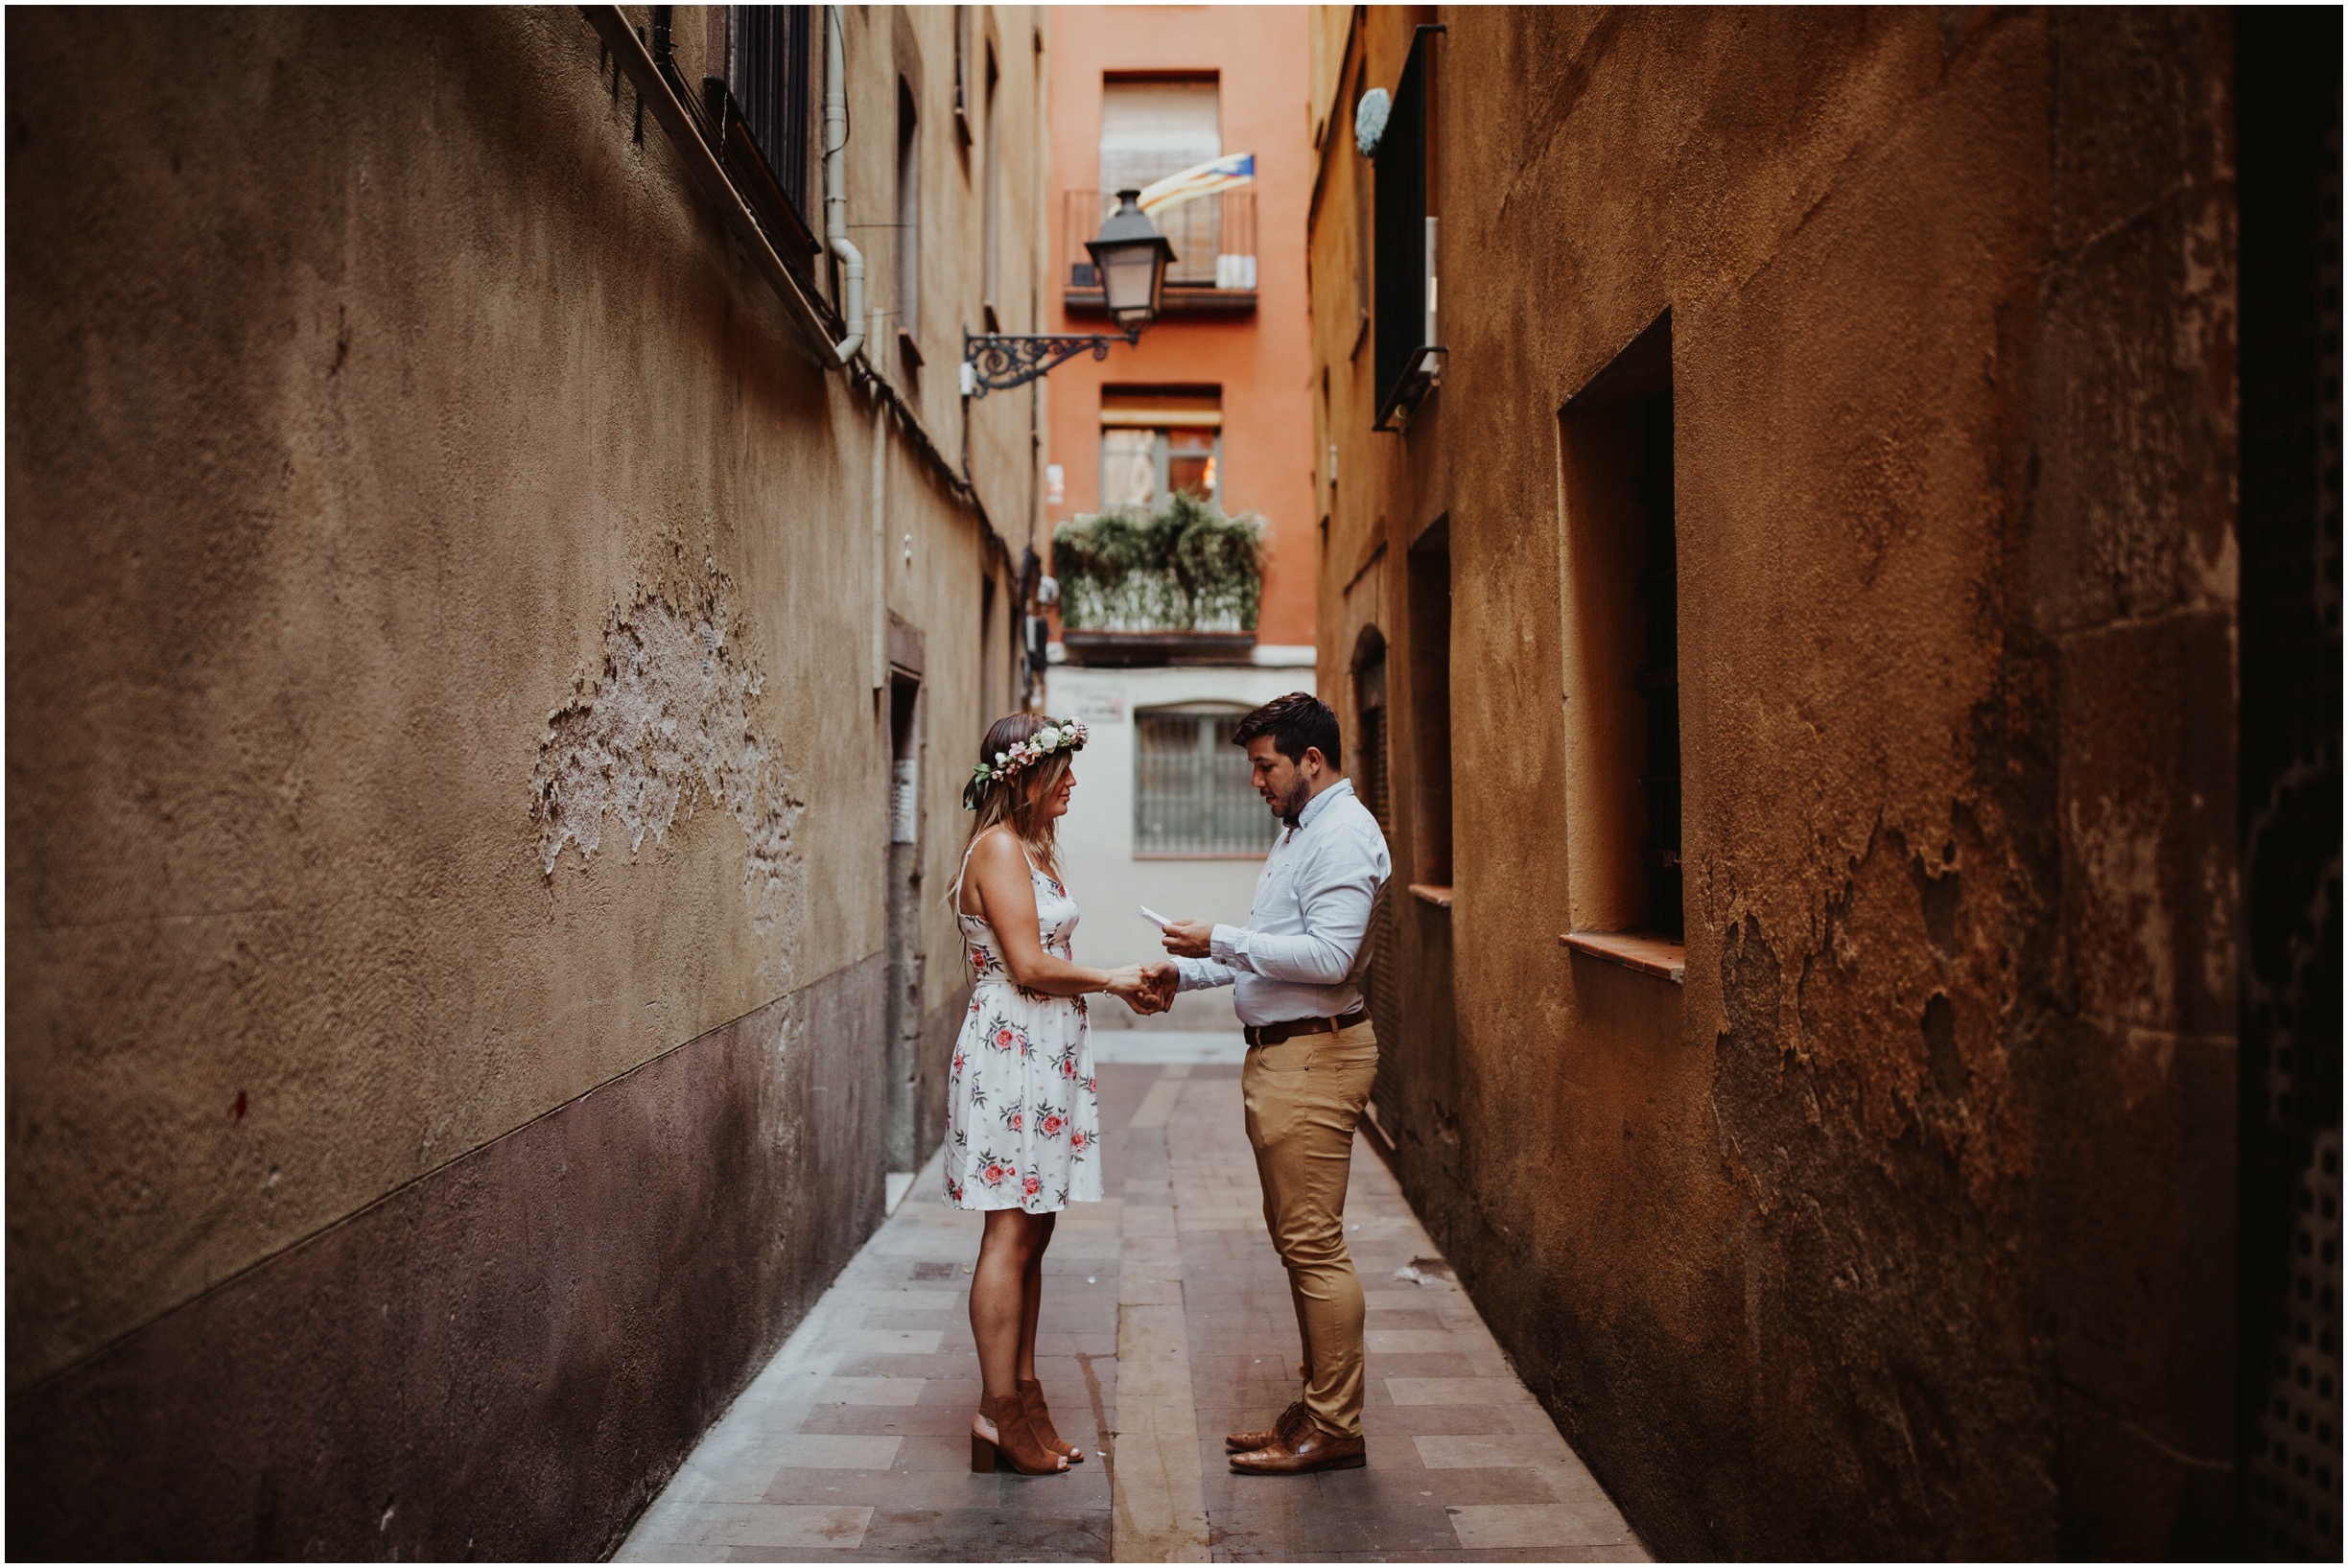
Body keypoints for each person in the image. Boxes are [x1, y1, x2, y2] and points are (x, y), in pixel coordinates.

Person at [1154, 691, 1392, 1476]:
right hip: (1288, 1056)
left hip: (1315, 1059)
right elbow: (1269, 950)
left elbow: (1326, 957)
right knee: (1299, 1242)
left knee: (1315, 1246)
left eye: (1265, 766)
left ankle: (1334, 1425)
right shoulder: (1302, 833)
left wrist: (1218, 934)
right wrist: (1182, 971)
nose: (1256, 781)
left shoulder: (1345, 836)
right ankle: (1317, 1407)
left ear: (1310, 762)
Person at [948, 712, 1170, 1476]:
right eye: (1062, 769)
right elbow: (1031, 965)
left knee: (1035, 1231)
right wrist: (1111, 979)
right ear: (1024, 777)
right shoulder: (1000, 847)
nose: (1073, 781)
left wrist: (1118, 991)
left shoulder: (1033, 849)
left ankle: (1024, 1396)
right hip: (1013, 1056)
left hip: (1043, 1055)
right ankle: (995, 1412)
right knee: (1009, 1234)